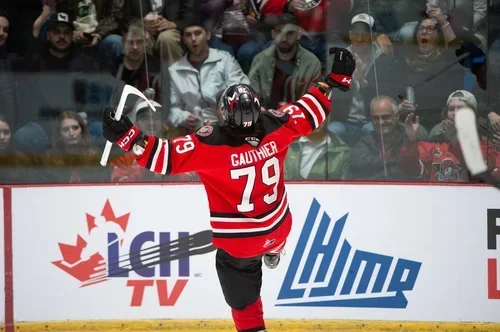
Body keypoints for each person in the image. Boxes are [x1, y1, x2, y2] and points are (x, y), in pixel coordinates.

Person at [102, 47, 356, 332]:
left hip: (241, 243)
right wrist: (334, 79)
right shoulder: (277, 124)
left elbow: (164, 157)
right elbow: (310, 110)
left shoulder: (210, 143)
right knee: (274, 228)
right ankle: (275, 249)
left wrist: (127, 136)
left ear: (224, 114)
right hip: (279, 226)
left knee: (242, 297)